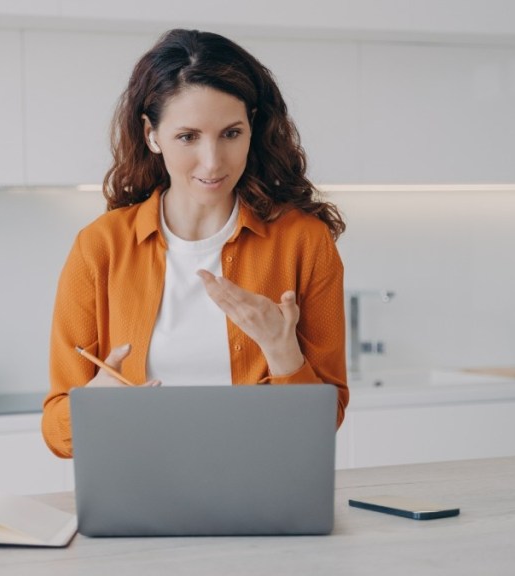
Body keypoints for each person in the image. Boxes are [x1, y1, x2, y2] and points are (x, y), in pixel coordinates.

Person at [42, 29, 347, 458]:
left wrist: (282, 352)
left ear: (252, 128)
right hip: (139, 498)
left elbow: (324, 422)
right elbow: (57, 433)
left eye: (230, 133)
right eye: (188, 137)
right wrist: (93, 405)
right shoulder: (100, 247)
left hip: (263, 494)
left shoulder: (304, 242)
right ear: (151, 134)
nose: (212, 161)